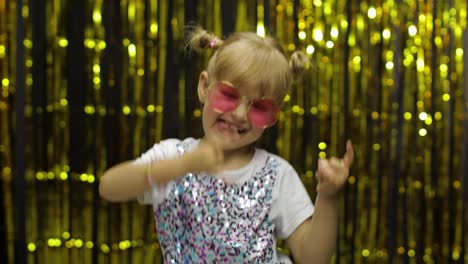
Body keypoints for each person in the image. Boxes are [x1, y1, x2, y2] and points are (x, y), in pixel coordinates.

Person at [99, 27, 354, 264]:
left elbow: (313, 258)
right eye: (229, 95)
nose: (241, 114)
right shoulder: (172, 156)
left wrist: (328, 197)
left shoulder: (276, 174)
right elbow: (109, 186)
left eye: (260, 107)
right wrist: (182, 165)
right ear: (204, 87)